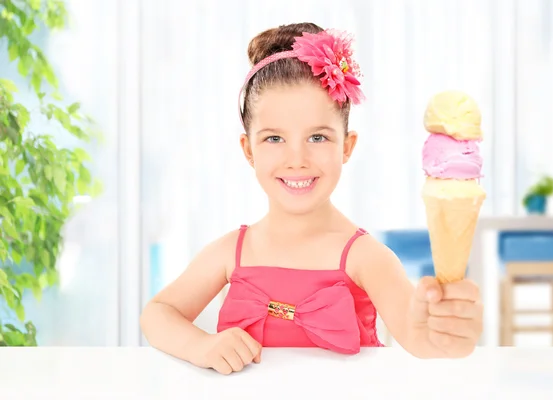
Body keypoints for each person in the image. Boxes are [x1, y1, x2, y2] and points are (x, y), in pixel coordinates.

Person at [140, 22, 483, 375]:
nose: (297, 159)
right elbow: (158, 313)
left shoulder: (366, 258)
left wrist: (447, 331)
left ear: (347, 146)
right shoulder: (231, 252)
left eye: (317, 138)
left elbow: (420, 337)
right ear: (249, 150)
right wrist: (201, 345)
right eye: (274, 139)